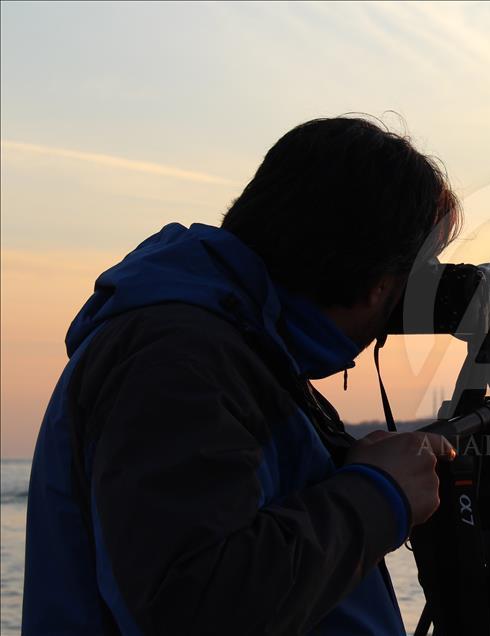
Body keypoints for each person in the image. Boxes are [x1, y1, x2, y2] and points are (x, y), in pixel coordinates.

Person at [22, 117, 461, 635]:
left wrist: (361, 473)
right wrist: (377, 494)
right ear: (380, 284)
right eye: (419, 274)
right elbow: (190, 605)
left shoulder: (238, 346)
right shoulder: (178, 358)